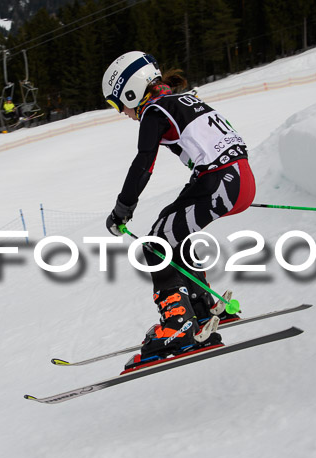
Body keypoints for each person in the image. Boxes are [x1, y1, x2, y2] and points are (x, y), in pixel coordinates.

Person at [102, 51, 256, 369]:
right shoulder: (183, 100)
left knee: (157, 244)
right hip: (236, 178)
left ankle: (178, 327)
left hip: (220, 181)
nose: (122, 112)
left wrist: (122, 209)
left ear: (131, 90)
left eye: (118, 103)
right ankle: (201, 309)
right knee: (169, 230)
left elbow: (144, 164)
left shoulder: (154, 111)